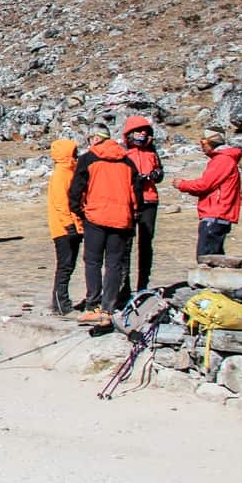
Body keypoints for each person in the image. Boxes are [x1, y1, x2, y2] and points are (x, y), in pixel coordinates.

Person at [68, 124, 142, 327]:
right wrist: (133, 215)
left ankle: (93, 306)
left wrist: (79, 211)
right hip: (121, 218)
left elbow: (76, 190)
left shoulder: (88, 158)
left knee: (93, 261)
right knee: (114, 264)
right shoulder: (127, 161)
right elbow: (137, 192)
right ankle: (108, 308)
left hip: (95, 217)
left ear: (94, 138)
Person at [174, 129, 242, 260]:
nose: (201, 146)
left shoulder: (222, 160)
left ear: (210, 142)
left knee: (206, 259)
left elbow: (205, 185)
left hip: (215, 215)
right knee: (214, 259)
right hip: (218, 216)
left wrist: (182, 184)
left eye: (202, 142)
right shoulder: (225, 159)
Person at [122, 116, 165, 295]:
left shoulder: (152, 152)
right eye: (139, 131)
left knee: (146, 244)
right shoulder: (124, 153)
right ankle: (124, 286)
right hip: (131, 202)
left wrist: (156, 174)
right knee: (126, 245)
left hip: (150, 200)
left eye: (145, 131)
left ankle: (143, 285)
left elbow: (161, 173)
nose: (142, 134)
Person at [46, 138, 84, 315]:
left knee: (68, 265)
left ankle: (61, 302)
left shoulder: (69, 172)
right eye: (74, 152)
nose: (76, 154)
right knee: (65, 266)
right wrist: (69, 224)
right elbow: (61, 203)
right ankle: (61, 303)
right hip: (64, 228)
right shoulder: (61, 175)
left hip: (72, 226)